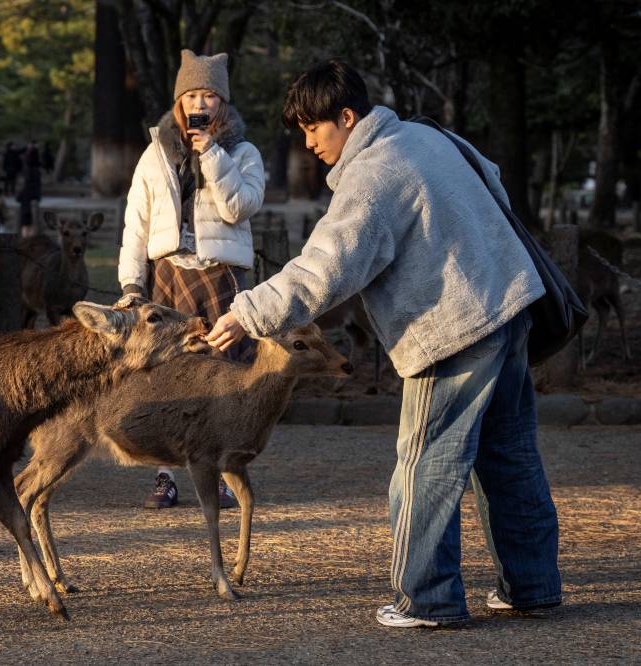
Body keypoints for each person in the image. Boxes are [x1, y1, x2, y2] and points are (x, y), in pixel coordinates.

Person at [206, 59, 561, 627]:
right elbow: (493, 182)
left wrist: (249, 312)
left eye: (314, 128)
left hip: (454, 327)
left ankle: (429, 599)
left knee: (426, 463)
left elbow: (325, 267)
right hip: (509, 303)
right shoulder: (427, 136)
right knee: (509, 454)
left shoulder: (373, 173)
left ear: (347, 118)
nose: (309, 142)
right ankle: (533, 586)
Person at [118, 49, 265, 510]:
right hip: (169, 273)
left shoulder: (243, 153)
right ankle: (166, 475)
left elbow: (240, 208)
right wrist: (131, 285)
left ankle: (219, 473)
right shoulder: (155, 153)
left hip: (221, 275)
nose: (199, 104)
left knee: (223, 374)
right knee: (166, 376)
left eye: (209, 95)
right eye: (191, 95)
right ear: (178, 101)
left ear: (222, 101)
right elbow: (136, 223)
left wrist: (213, 155)